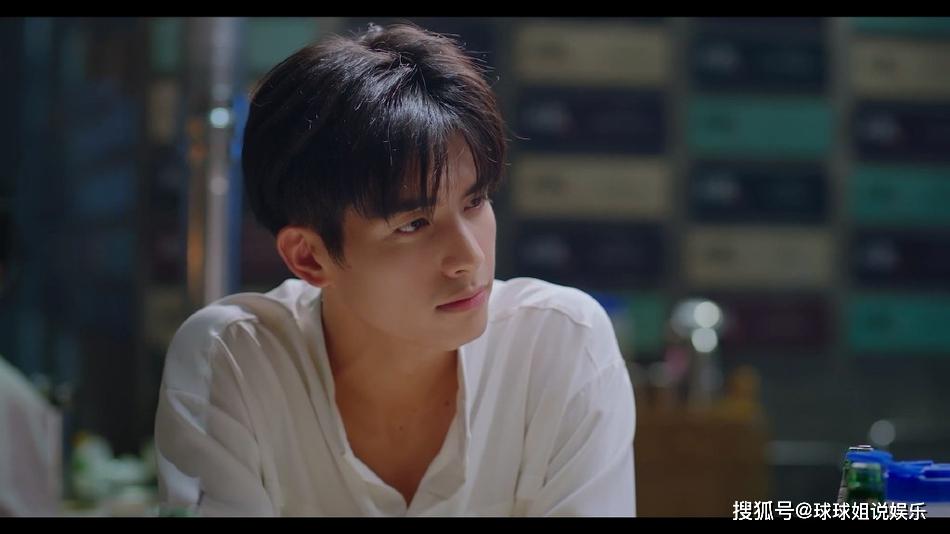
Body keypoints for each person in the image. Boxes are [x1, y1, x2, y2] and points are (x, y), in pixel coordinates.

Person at [154, 22, 635, 517]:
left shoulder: (559, 342)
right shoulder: (234, 359)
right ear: (309, 257)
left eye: (475, 202)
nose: (468, 258)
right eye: (414, 224)